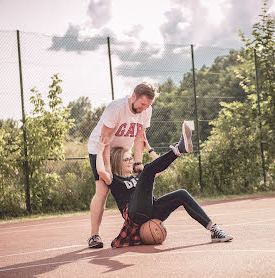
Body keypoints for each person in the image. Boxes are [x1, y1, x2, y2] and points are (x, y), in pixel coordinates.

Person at [96, 121, 233, 248]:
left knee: (181, 194)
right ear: (118, 162)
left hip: (151, 211)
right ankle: (178, 149)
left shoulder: (138, 176)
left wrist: (148, 147)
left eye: (131, 158)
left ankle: (214, 230)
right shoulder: (115, 180)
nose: (131, 161)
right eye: (126, 159)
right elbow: (101, 170)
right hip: (134, 215)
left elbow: (158, 168)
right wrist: (100, 150)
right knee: (148, 169)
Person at [87, 82, 156, 248]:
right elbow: (104, 139)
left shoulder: (146, 110)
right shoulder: (116, 108)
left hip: (123, 152)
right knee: (102, 191)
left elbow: (140, 137)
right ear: (133, 96)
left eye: (148, 105)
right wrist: (108, 168)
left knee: (135, 187)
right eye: (142, 104)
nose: (144, 108)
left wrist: (138, 163)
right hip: (102, 148)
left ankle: (137, 228)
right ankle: (94, 235)